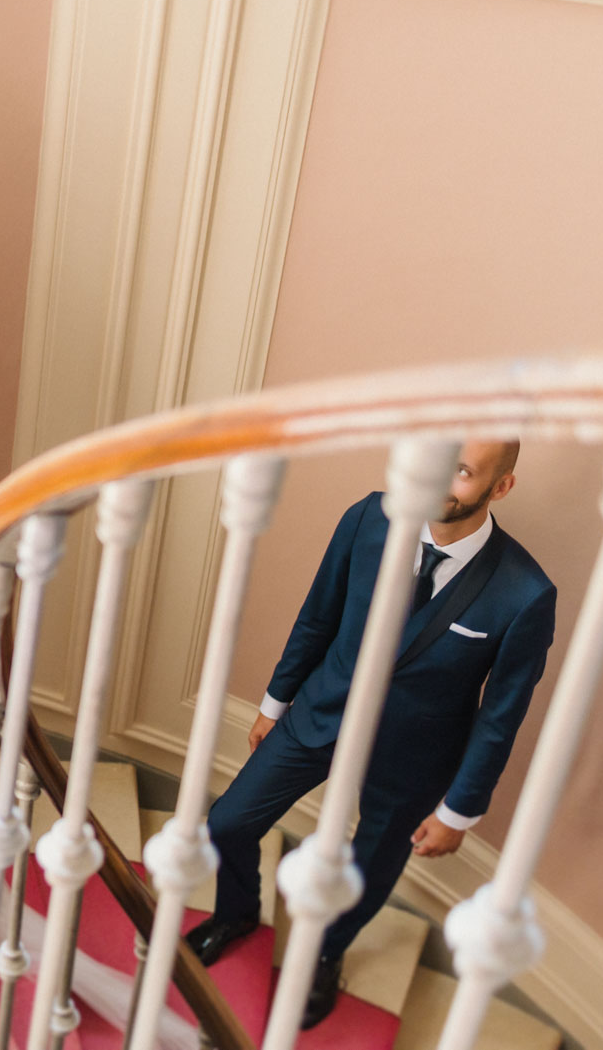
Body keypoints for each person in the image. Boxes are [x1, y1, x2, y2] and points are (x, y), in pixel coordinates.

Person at [184, 441, 556, 1029]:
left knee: (369, 869)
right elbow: (318, 617)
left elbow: (499, 717)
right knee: (227, 821)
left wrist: (459, 810)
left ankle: (326, 952)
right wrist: (275, 703)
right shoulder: (368, 517)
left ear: (500, 486)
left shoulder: (526, 593)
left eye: (462, 471)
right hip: (321, 712)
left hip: (414, 757)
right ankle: (236, 913)